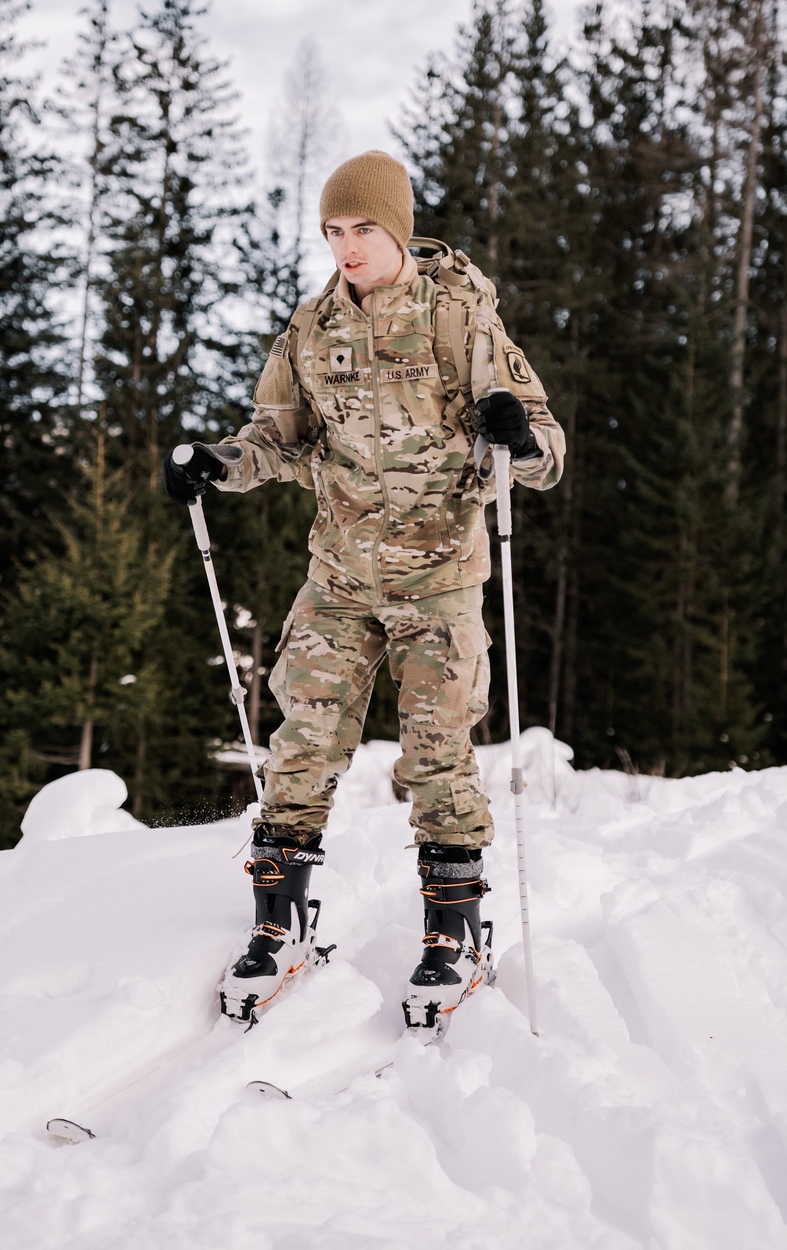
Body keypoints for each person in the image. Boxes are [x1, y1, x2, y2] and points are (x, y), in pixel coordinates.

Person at [163, 150, 565, 1029]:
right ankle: (280, 922)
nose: (347, 246)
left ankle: (455, 935)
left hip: (440, 577)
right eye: (334, 231)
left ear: (399, 228)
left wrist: (518, 437)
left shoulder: (462, 318)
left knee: (436, 753)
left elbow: (545, 448)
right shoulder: (309, 331)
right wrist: (220, 463)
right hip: (340, 575)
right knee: (301, 737)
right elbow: (276, 438)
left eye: (363, 229)